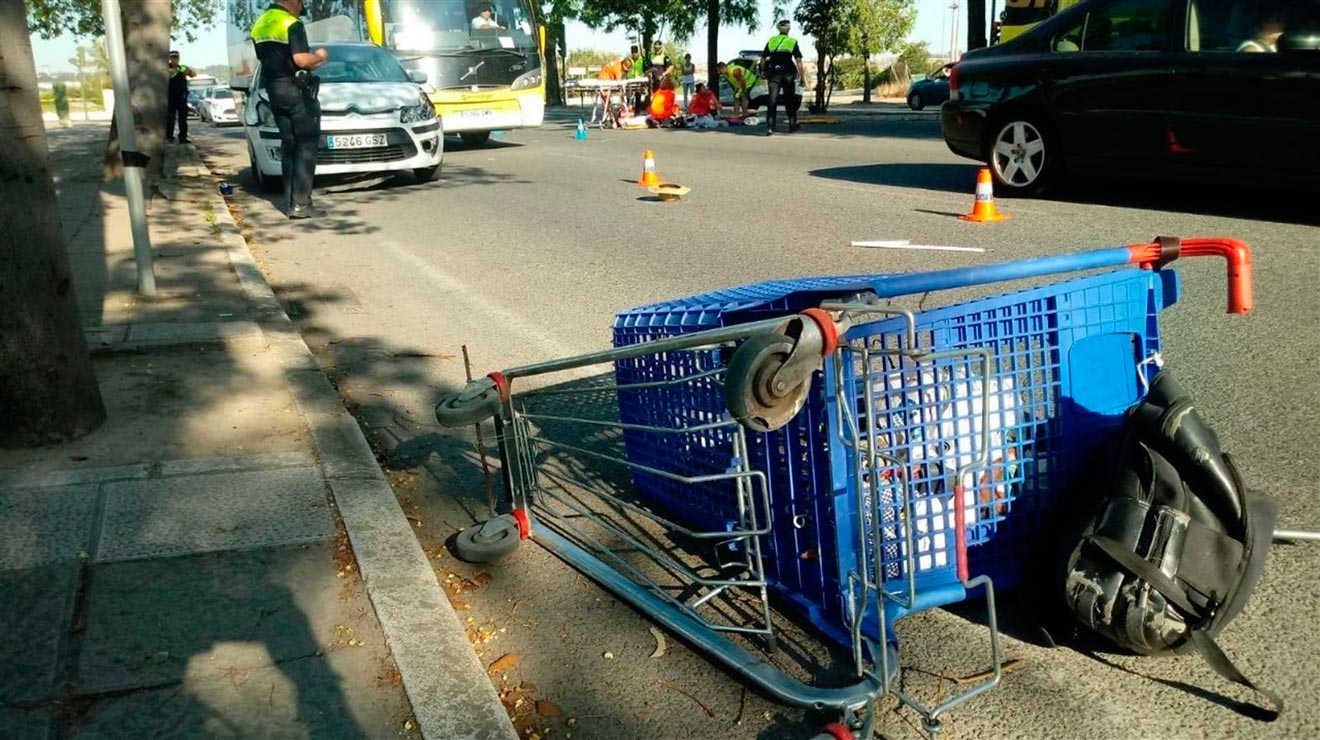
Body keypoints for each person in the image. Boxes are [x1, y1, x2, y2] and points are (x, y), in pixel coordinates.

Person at [250, 0, 329, 219]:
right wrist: (321, 57)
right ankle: (302, 205)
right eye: (300, 3)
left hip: (274, 91)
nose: (301, 7)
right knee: (306, 145)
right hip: (295, 90)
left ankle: (292, 202)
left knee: (289, 144)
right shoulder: (291, 23)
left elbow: (264, 58)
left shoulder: (260, 23)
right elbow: (301, 59)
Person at [761, 18, 805, 135]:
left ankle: (770, 127)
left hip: (773, 74)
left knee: (772, 100)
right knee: (789, 100)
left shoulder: (771, 41)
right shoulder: (792, 41)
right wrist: (802, 76)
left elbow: (763, 59)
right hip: (788, 74)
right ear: (789, 29)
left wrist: (763, 71)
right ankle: (792, 125)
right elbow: (798, 60)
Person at [166, 51, 196, 144]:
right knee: (170, 119)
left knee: (183, 119)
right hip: (170, 97)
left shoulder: (182, 68)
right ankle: (169, 137)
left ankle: (183, 138)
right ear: (170, 58)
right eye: (173, 57)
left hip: (182, 97)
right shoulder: (167, 68)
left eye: (176, 58)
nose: (175, 59)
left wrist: (188, 72)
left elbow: (193, 74)